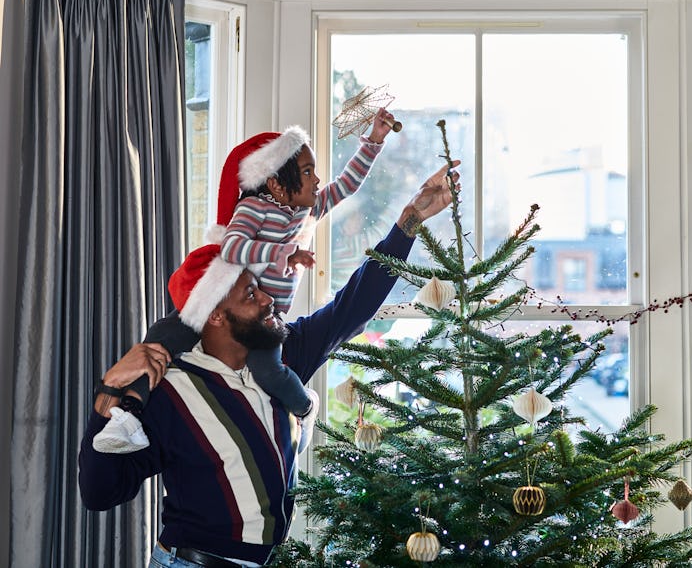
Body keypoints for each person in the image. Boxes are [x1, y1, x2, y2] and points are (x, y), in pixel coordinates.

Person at [78, 161, 460, 568]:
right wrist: (109, 394)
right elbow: (100, 492)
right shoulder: (169, 390)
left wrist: (410, 220)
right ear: (215, 316)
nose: (267, 301)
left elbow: (356, 303)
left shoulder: (284, 355)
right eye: (249, 295)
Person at [91, 111, 396, 455]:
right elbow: (233, 246)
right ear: (276, 185)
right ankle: (126, 416)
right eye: (307, 172)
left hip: (265, 322)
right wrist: (285, 254)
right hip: (225, 308)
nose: (317, 179)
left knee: (270, 373)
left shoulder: (307, 210)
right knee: (162, 339)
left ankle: (305, 409)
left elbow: (346, 185)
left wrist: (375, 140)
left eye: (314, 171)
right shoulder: (254, 208)